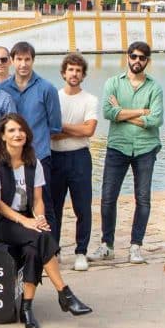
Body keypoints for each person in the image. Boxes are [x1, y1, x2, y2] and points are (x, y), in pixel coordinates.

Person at [0, 114, 92, 328]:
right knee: (41, 237)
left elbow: (37, 200)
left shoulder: (34, 162)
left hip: (27, 221)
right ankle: (64, 292)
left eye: (21, 130)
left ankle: (27, 308)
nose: (18, 134)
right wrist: (26, 221)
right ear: (3, 136)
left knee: (35, 248)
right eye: (12, 131)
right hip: (1, 221)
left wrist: (40, 218)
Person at [91, 41, 163, 265]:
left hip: (145, 147)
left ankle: (135, 246)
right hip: (117, 146)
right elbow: (107, 112)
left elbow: (156, 120)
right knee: (108, 197)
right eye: (133, 56)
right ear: (127, 58)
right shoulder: (112, 83)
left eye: (142, 57)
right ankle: (107, 245)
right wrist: (141, 112)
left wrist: (122, 113)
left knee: (143, 199)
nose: (137, 61)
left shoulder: (155, 87)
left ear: (147, 61)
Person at [0, 41, 62, 214]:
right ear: (12, 61)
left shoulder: (47, 88)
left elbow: (55, 126)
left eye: (27, 59)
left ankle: (50, 241)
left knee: (45, 205)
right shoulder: (3, 89)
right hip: (11, 156)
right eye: (19, 59)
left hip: (39, 156)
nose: (23, 64)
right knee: (14, 202)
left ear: (33, 60)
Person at [48, 54, 98, 272]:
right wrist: (74, 129)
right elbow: (50, 133)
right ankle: (54, 250)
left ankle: (81, 252)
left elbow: (89, 130)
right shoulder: (54, 98)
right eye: (70, 70)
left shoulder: (90, 100)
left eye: (78, 70)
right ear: (63, 73)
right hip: (56, 157)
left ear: (83, 75)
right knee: (54, 207)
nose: (74, 74)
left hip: (80, 158)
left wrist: (63, 127)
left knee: (82, 207)